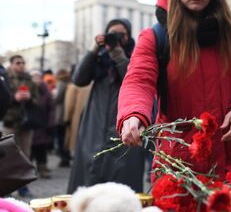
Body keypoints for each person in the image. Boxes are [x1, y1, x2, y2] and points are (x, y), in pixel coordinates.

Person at [118, 0, 231, 179]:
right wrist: (133, 114)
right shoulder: (154, 37)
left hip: (229, 162)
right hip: (177, 163)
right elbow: (138, 81)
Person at [67, 18, 146, 193]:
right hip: (94, 126)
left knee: (121, 183)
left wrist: (120, 58)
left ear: (128, 36)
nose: (116, 38)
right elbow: (78, 79)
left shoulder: (137, 56)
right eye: (112, 34)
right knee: (89, 178)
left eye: (121, 34)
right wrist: (94, 50)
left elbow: (136, 80)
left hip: (124, 125)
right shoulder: (98, 59)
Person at [3, 55, 38, 197]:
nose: (21, 65)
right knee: (7, 155)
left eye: (23, 63)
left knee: (25, 155)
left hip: (26, 123)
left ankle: (23, 187)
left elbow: (37, 101)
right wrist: (14, 98)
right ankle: (6, 188)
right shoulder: (5, 79)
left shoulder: (30, 80)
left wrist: (30, 99)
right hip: (9, 121)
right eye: (18, 63)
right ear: (11, 65)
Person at [29, 70, 54, 179]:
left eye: (38, 77)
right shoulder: (28, 89)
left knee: (41, 148)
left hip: (42, 123)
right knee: (29, 149)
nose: (36, 79)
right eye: (33, 77)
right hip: (30, 124)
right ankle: (29, 170)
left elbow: (51, 108)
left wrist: (51, 122)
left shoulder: (45, 90)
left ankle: (42, 168)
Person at [53, 68, 72, 167]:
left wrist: (52, 96)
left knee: (60, 137)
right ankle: (66, 156)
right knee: (66, 136)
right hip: (68, 113)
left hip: (60, 113)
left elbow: (58, 98)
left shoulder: (61, 83)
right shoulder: (70, 82)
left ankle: (64, 158)